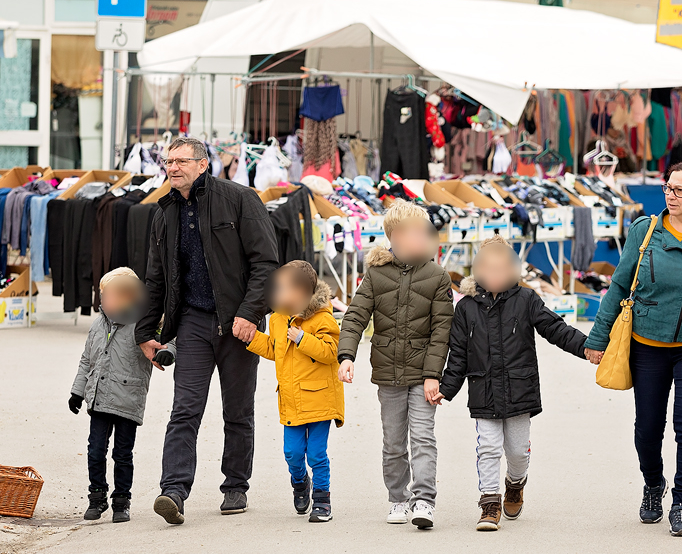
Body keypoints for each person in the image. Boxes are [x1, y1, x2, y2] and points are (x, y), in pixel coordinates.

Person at [583, 159, 682, 538]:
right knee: (648, 426)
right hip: (647, 344)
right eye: (668, 188)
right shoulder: (645, 229)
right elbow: (619, 286)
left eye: (680, 190)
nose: (670, 195)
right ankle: (653, 485)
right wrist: (597, 337)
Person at [136, 137, 280, 525]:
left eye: (182, 160)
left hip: (238, 324)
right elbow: (156, 277)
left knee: (237, 410)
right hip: (194, 323)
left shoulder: (240, 199)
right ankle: (173, 492)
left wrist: (251, 312)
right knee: (184, 409)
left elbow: (266, 262)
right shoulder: (164, 211)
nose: (173, 167)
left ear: (203, 164)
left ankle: (235, 486)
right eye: (168, 160)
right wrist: (147, 331)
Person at [437, 236, 589, 531]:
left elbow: (556, 329)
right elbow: (458, 354)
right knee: (488, 448)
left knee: (518, 451)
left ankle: (515, 484)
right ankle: (490, 502)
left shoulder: (526, 300)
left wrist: (587, 347)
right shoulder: (466, 308)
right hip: (484, 391)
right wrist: (446, 387)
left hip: (520, 389)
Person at [337, 200, 453, 529]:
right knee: (393, 442)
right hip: (387, 373)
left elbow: (442, 330)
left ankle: (424, 500)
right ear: (397, 236)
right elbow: (356, 315)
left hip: (423, 376)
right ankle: (398, 498)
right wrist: (346, 355)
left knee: (423, 438)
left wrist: (433, 375)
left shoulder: (437, 276)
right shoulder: (375, 275)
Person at [70, 268, 175, 523]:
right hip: (98, 398)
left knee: (122, 453)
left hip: (128, 400)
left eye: (107, 296)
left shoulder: (143, 324)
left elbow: (169, 338)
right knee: (95, 451)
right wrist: (77, 391)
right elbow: (87, 360)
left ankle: (121, 501)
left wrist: (168, 353)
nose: (102, 300)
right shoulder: (98, 325)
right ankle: (96, 497)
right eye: (102, 295)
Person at [246, 261, 344, 523]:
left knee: (316, 454)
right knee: (292, 452)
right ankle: (300, 483)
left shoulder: (323, 317)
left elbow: (331, 352)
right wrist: (252, 339)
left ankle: (322, 501)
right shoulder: (278, 319)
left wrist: (303, 338)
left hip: (320, 399)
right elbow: (275, 349)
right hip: (291, 400)